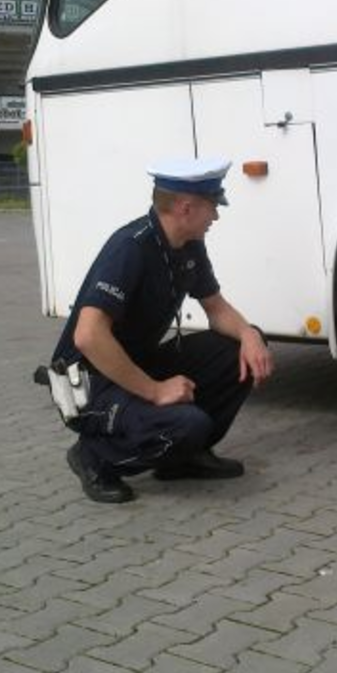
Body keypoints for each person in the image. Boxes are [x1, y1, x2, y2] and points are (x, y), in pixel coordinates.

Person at [47, 156, 274, 503]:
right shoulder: (131, 247)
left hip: (132, 364)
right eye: (213, 206)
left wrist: (249, 335)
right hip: (90, 385)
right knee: (187, 425)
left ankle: (184, 458)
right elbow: (88, 336)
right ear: (186, 208)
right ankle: (94, 456)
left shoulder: (188, 244)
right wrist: (155, 391)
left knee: (238, 348)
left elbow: (216, 309)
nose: (216, 216)